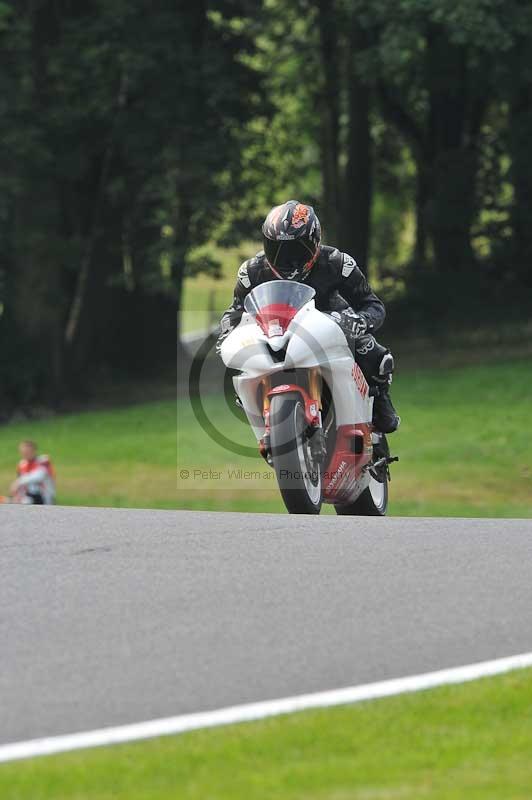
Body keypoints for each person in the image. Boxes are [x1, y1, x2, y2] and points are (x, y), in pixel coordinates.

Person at [216, 200, 400, 433]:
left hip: (330, 327)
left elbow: (372, 304)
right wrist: (227, 335)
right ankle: (257, 404)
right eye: (277, 249)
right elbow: (234, 312)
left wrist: (359, 321)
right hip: (277, 332)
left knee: (371, 351)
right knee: (245, 363)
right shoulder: (251, 271)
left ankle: (379, 398)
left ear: (315, 241)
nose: (287, 259)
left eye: (296, 250)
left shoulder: (337, 263)